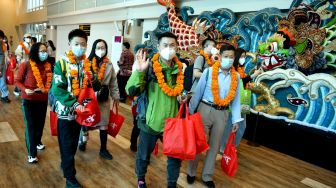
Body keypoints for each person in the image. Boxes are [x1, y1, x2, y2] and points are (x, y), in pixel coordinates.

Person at [126, 32, 187, 188]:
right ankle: (140, 178)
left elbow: (179, 90)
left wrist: (183, 96)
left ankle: (172, 183)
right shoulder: (150, 67)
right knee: (143, 155)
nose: (169, 49)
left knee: (174, 158)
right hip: (150, 122)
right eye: (165, 45)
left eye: (172, 45)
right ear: (159, 47)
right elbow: (131, 91)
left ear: (177, 47)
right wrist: (139, 72)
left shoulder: (180, 69)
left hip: (172, 124)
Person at [187, 44, 242, 188]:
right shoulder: (209, 72)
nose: (229, 60)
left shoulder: (236, 77)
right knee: (199, 142)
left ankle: (207, 176)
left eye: (231, 57)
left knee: (215, 146)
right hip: (205, 109)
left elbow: (236, 100)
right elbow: (198, 92)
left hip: (223, 113)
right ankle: (191, 172)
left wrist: (236, 119)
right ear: (220, 56)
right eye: (226, 57)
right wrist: (191, 111)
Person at [50, 29, 100, 188]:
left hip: (81, 114)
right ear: (69, 44)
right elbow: (57, 89)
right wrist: (75, 104)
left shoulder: (87, 64)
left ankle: (66, 164)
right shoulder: (61, 64)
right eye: (76, 44)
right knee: (66, 143)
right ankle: (70, 178)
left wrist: (94, 80)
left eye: (83, 44)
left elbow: (96, 85)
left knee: (72, 144)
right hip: (66, 112)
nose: (80, 47)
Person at [77, 39, 120, 160]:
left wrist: (116, 96)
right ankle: (83, 140)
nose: (101, 50)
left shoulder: (109, 64)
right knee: (87, 122)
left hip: (104, 97)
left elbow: (113, 82)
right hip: (89, 96)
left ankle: (103, 149)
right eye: (98, 48)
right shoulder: (86, 63)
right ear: (94, 49)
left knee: (104, 124)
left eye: (103, 48)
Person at [220, 48, 263, 151]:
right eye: (242, 56)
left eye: (245, 57)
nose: (243, 59)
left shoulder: (241, 69)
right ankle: (223, 147)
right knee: (230, 123)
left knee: (242, 124)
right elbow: (240, 81)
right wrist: (254, 75)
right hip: (234, 98)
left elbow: (244, 81)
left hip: (245, 95)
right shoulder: (231, 69)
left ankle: (233, 145)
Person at [15, 42, 52, 163]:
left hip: (42, 100)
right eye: (42, 51)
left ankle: (37, 141)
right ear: (35, 52)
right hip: (28, 100)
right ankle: (32, 153)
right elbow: (18, 81)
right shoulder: (26, 65)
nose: (44, 53)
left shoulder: (48, 66)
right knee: (31, 126)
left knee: (40, 124)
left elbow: (50, 82)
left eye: (45, 51)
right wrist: (25, 89)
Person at [0, 30, 10, 103]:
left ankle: (4, 96)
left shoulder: (3, 44)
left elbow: (3, 55)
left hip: (2, 65)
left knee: (3, 81)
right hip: (1, 65)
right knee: (2, 81)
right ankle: (4, 96)